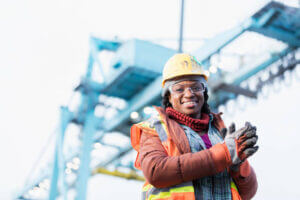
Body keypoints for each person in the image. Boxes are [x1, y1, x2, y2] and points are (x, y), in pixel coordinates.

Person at [131, 53, 259, 200]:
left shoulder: (218, 133)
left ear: (204, 92)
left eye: (196, 87)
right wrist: (224, 153)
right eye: (179, 89)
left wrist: (239, 166)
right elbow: (156, 171)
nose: (189, 94)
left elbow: (248, 193)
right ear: (168, 96)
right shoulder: (156, 129)